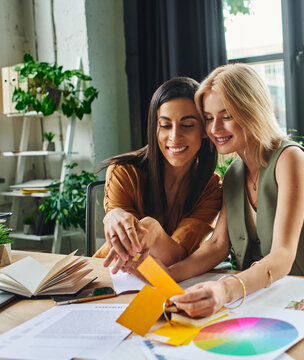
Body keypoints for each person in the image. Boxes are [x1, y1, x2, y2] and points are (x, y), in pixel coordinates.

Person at [165, 63, 304, 318]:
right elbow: (217, 245)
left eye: (227, 116)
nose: (215, 129)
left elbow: (282, 254)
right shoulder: (235, 172)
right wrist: (164, 276)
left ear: (252, 111)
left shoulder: (290, 159)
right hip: (260, 295)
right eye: (209, 118)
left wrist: (224, 290)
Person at [94, 77, 222, 271]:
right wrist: (113, 215)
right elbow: (128, 251)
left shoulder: (210, 187)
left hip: (169, 281)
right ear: (155, 128)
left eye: (187, 125)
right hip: (110, 277)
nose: (174, 136)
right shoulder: (124, 172)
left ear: (204, 130)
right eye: (165, 125)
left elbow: (177, 255)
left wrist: (154, 231)